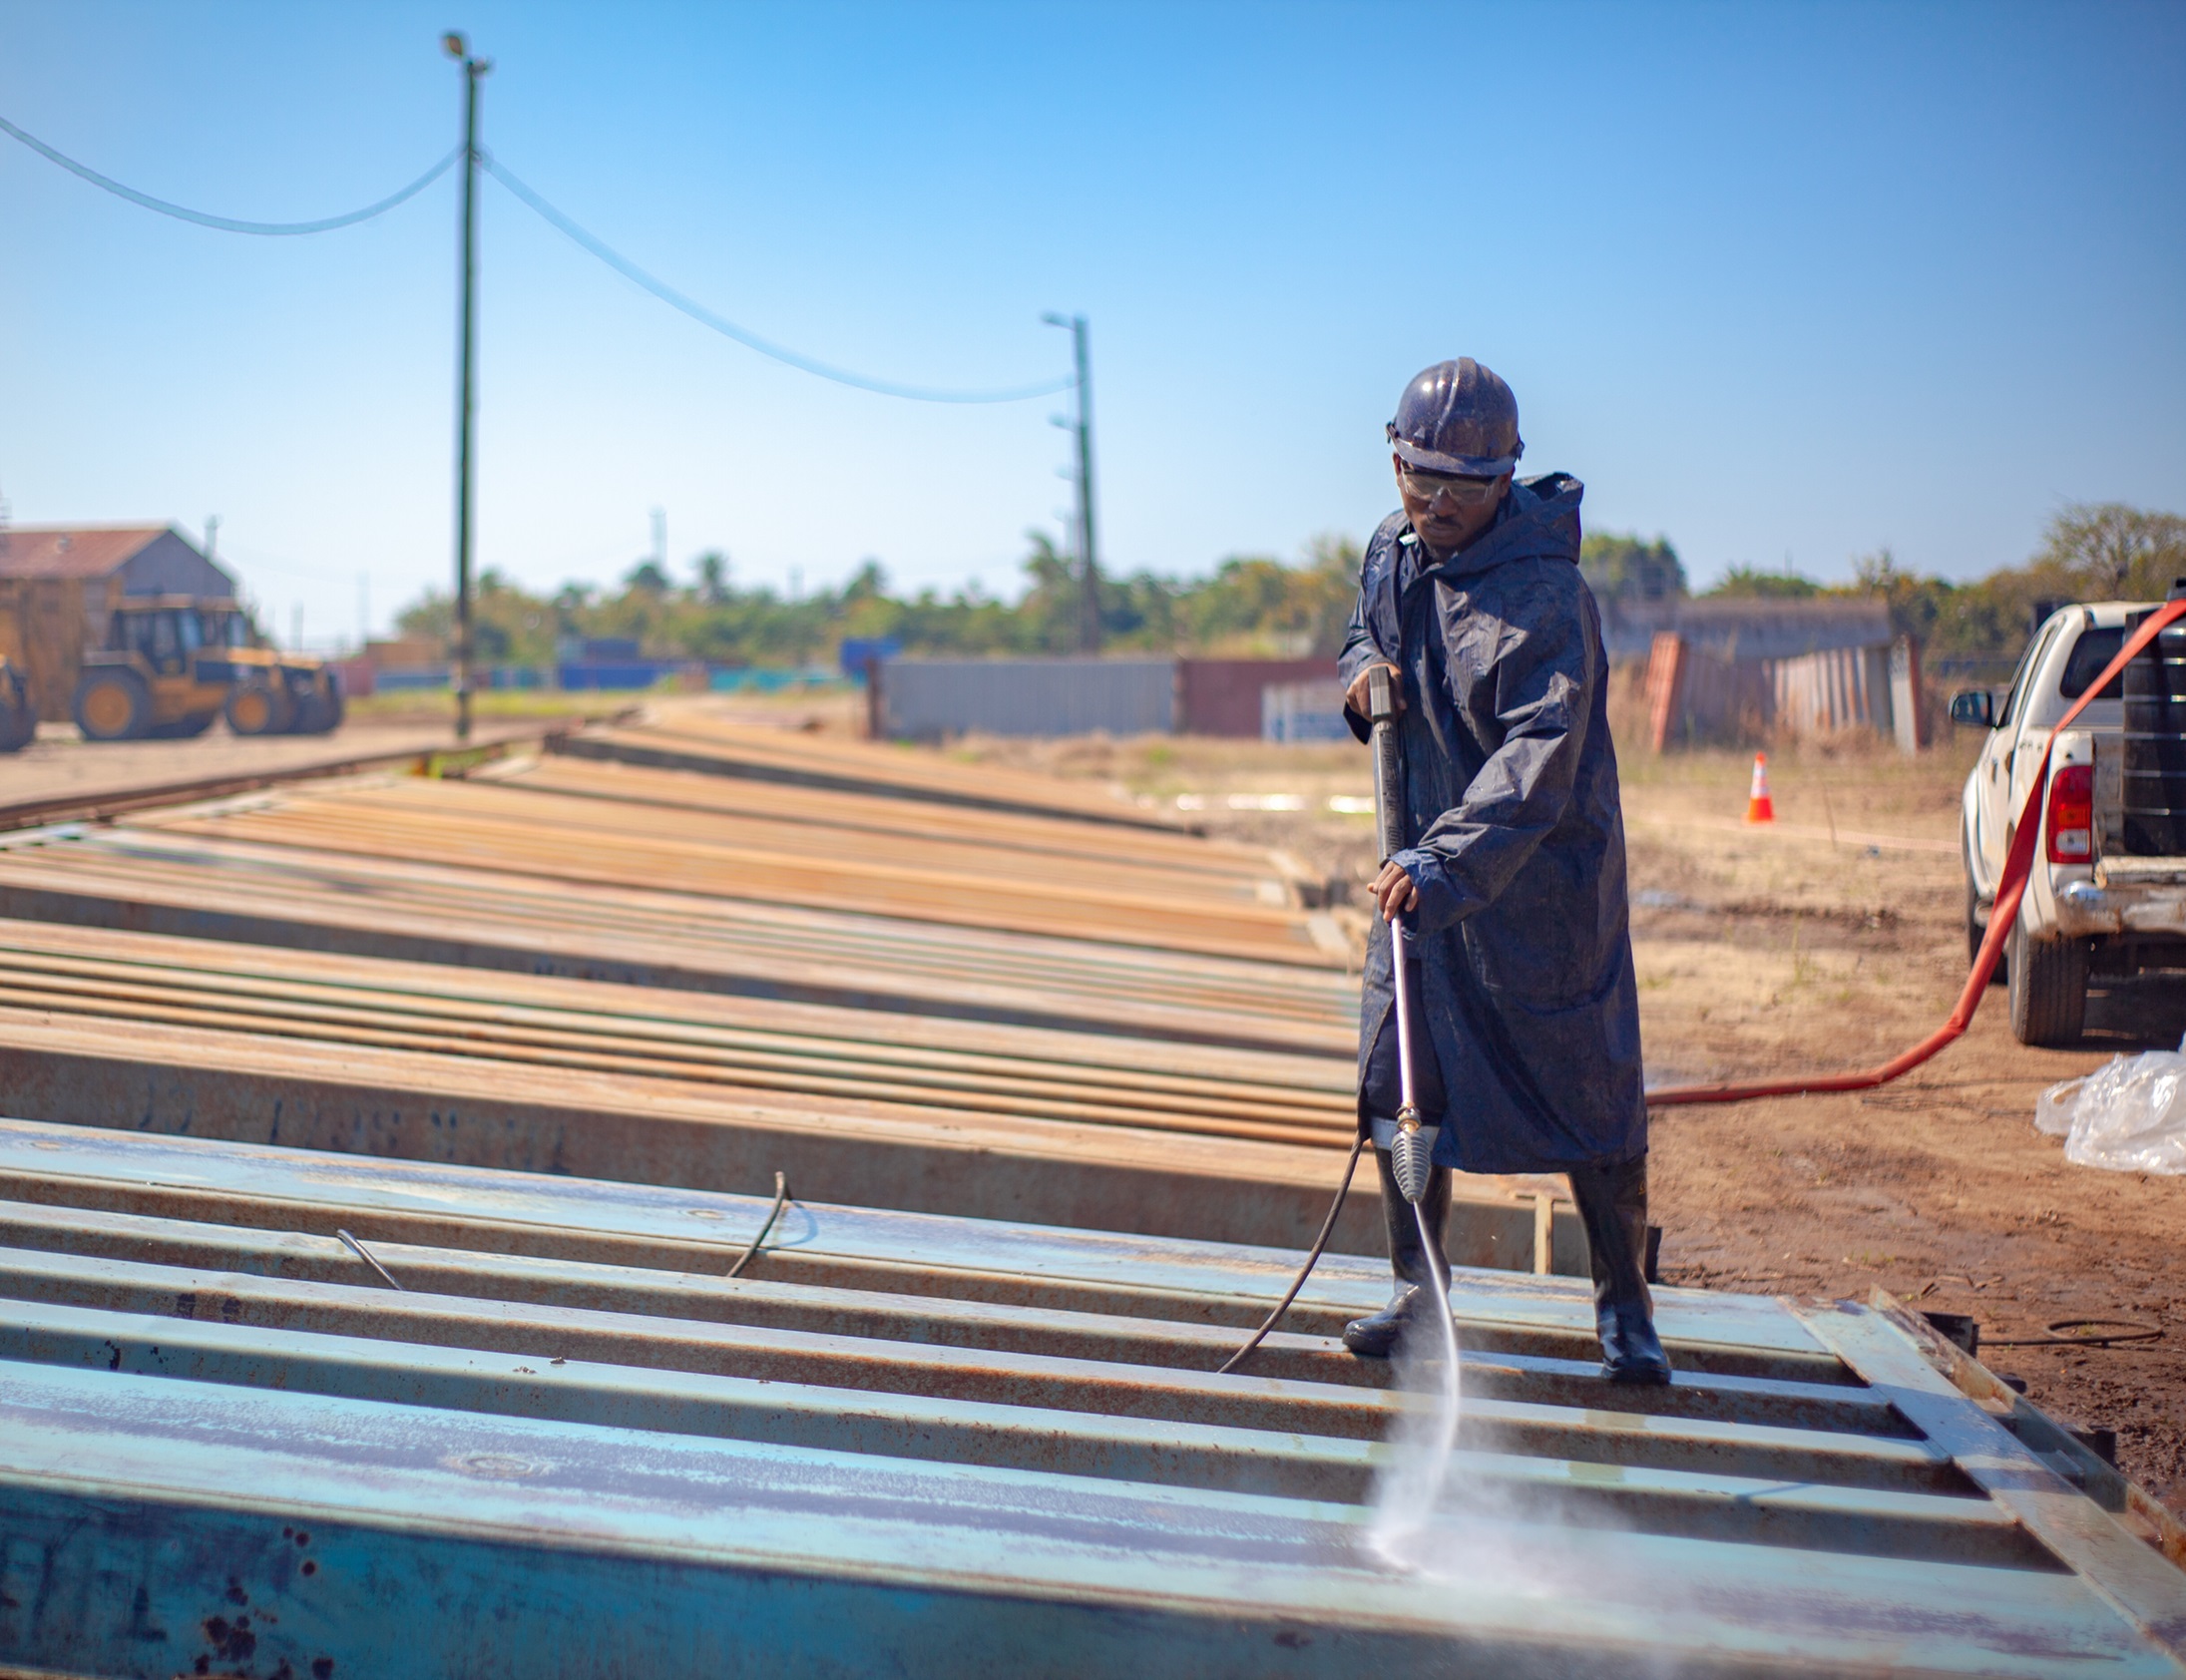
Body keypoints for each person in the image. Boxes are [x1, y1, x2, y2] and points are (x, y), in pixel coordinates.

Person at [1336, 357, 1669, 1385]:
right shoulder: (1392, 551)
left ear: (1505, 479)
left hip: (1540, 884)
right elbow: (1363, 633)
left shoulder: (1545, 595)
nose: (1435, 504)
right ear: (1394, 461)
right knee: (1402, 1079)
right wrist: (1362, 675)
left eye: (1462, 487)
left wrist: (1446, 859)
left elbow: (1539, 756)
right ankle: (1417, 1292)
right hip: (1422, 873)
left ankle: (1624, 1308)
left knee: (1586, 1095)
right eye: (1418, 477)